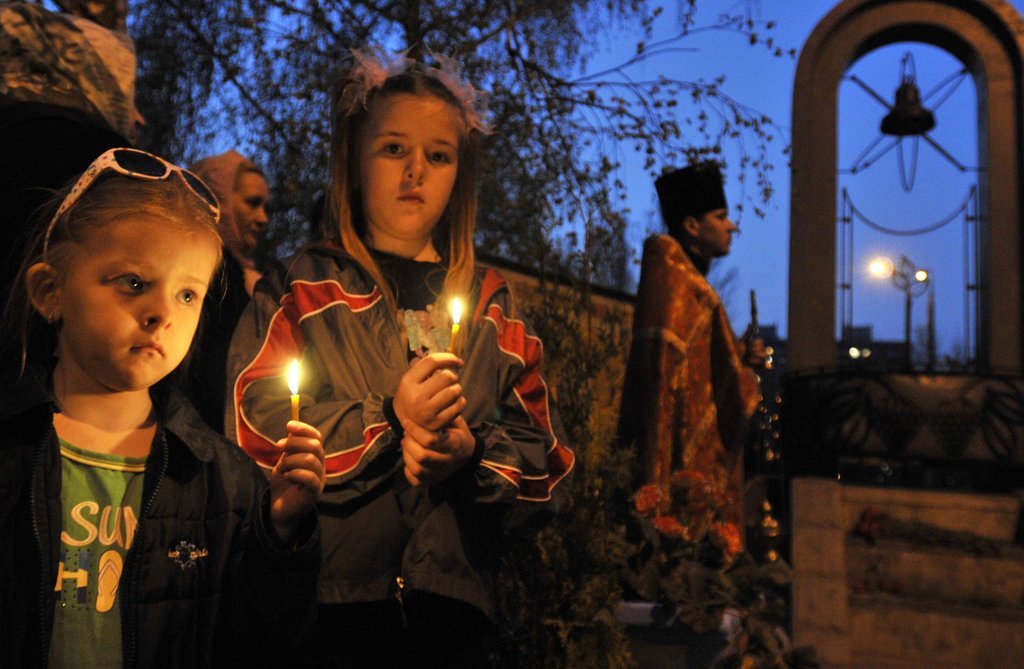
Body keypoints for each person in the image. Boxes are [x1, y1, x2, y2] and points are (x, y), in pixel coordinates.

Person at [226, 49, 575, 668]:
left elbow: (548, 468)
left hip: (451, 620)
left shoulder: (492, 307)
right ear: (354, 159)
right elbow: (254, 426)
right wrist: (388, 417)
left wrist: (471, 455)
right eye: (393, 149)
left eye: (438, 156)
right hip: (332, 610)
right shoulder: (302, 289)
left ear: (460, 173)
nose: (416, 170)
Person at [0, 148, 326, 667]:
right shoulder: (11, 448)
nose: (162, 314)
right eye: (134, 283)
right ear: (49, 290)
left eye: (187, 295)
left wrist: (281, 536)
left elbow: (260, 640)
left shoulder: (222, 479)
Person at [617, 161, 765, 553]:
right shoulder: (674, 279)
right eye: (721, 216)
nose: (732, 226)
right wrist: (744, 376)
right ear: (692, 226)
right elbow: (662, 380)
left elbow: (705, 369)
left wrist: (741, 360)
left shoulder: (688, 281)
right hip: (676, 456)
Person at [184, 150, 277, 431]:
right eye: (252, 203)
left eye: (266, 207)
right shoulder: (208, 274)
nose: (263, 218)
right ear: (218, 199)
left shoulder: (246, 276)